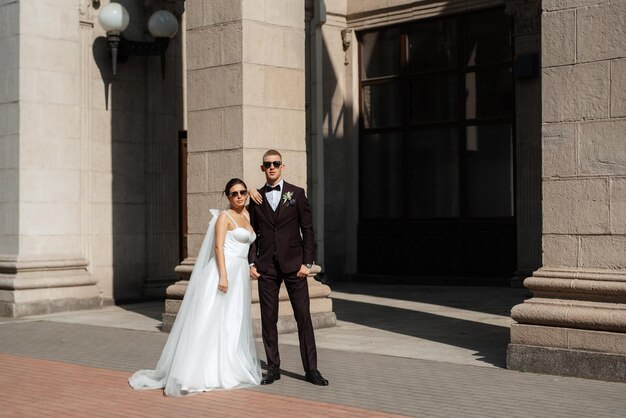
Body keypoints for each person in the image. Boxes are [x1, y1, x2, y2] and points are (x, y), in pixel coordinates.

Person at [129, 179, 261, 396]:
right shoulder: (223, 217)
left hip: (240, 274)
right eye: (234, 193)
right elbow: (218, 247)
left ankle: (228, 366)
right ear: (227, 196)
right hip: (223, 272)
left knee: (232, 320)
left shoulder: (248, 214)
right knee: (210, 318)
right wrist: (224, 276)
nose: (238, 196)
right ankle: (197, 372)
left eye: (242, 192)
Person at [248, 149, 329, 386]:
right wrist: (252, 261)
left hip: (295, 266)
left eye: (276, 163)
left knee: (303, 317)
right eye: (267, 164)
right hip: (267, 267)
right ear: (262, 168)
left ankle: (311, 369)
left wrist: (308, 262)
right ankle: (273, 368)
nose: (272, 167)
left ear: (282, 167)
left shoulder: (297, 193)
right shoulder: (256, 197)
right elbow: (252, 233)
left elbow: (308, 229)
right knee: (268, 319)